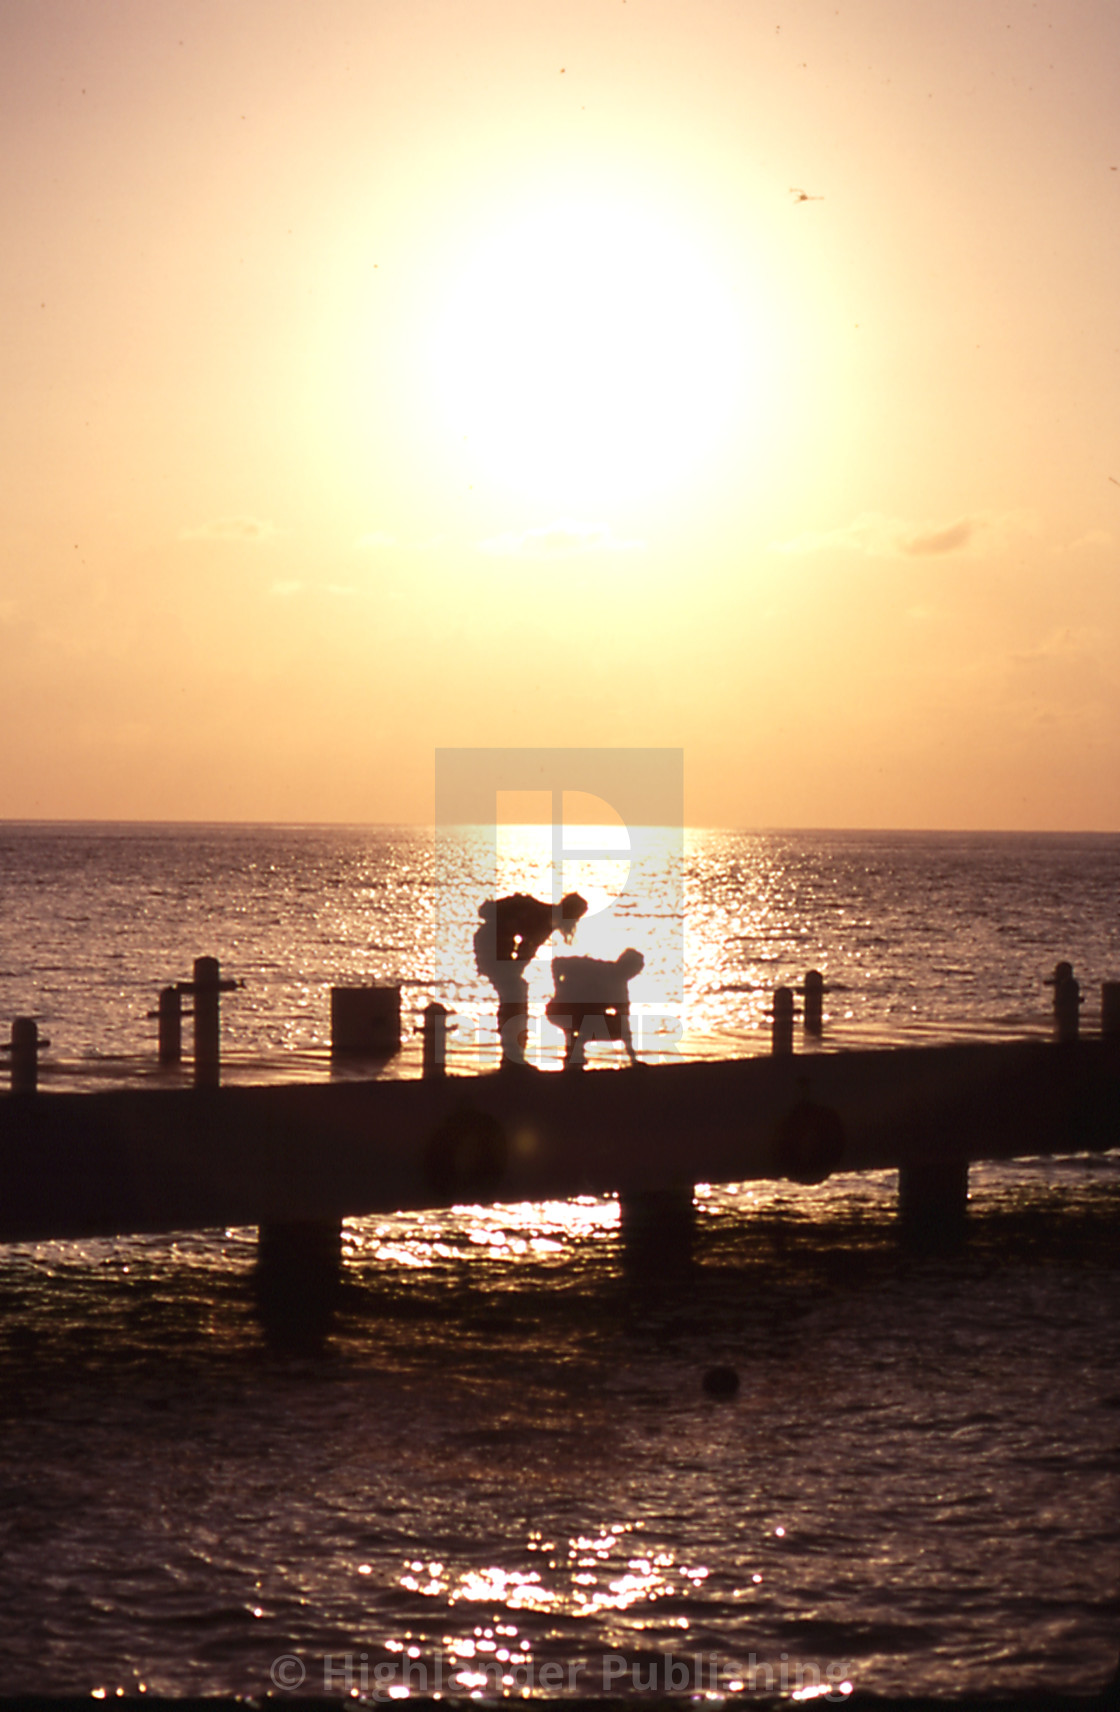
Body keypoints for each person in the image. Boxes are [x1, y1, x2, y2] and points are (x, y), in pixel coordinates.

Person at [473, 891, 588, 1065]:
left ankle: (512, 1054)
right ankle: (513, 1055)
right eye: (576, 917)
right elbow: (527, 950)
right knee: (514, 996)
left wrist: (515, 971)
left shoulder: (546, 916)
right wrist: (514, 971)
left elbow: (525, 952)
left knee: (513, 995)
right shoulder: (546, 920)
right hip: (492, 946)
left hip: (492, 945)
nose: (575, 922)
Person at [546, 947, 645, 1069]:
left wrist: (633, 1058)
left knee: (615, 1027)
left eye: (635, 973)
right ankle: (574, 1052)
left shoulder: (621, 991)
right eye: (632, 971)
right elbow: (557, 962)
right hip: (559, 1010)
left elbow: (624, 1025)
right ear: (623, 965)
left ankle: (575, 1052)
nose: (631, 975)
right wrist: (559, 988)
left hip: (584, 1016)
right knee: (588, 1015)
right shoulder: (597, 967)